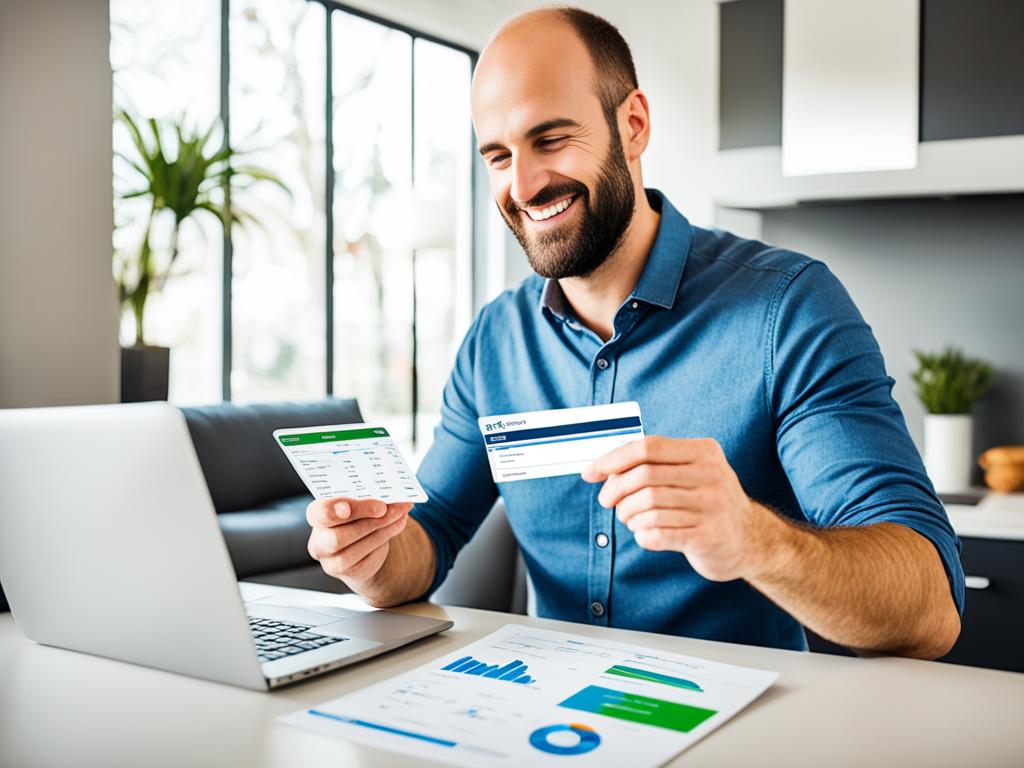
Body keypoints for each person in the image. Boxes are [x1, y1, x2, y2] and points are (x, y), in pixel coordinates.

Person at [306, 6, 963, 658]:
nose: (524, 185)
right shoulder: (494, 342)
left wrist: (753, 539)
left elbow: (930, 611)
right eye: (499, 155)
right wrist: (374, 557)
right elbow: (432, 533)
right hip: (548, 725)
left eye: (552, 138)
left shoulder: (786, 308)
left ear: (634, 125)